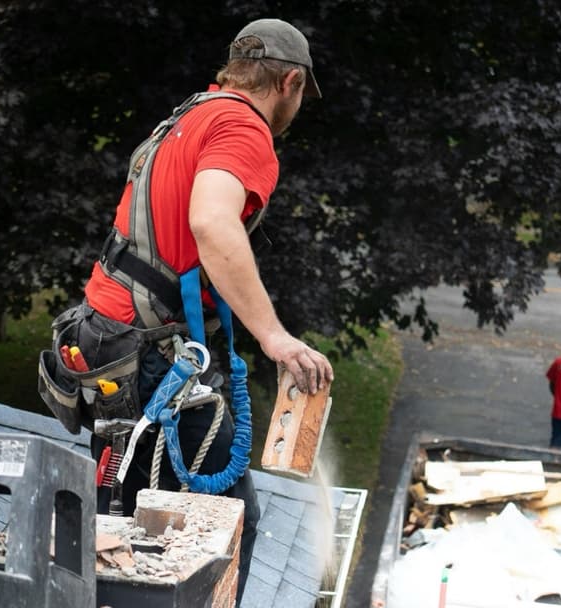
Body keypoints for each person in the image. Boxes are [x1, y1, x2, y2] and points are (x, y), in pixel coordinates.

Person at [43, 18, 333, 601]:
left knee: (117, 518)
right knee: (213, 531)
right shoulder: (242, 128)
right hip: (148, 357)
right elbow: (211, 221)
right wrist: (274, 337)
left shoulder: (189, 116)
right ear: (291, 82)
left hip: (105, 341)